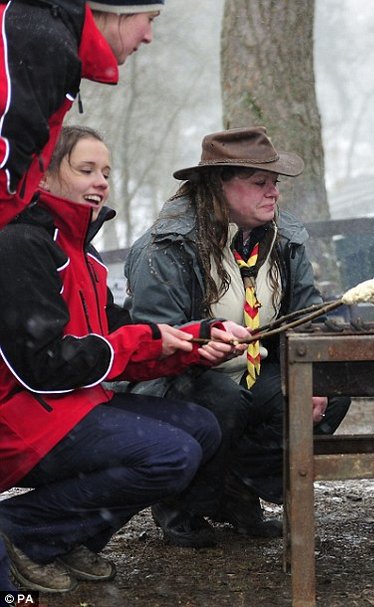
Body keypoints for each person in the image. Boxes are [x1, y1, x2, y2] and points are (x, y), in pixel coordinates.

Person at [0, 126, 241, 593]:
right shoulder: (20, 245)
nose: (101, 182)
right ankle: (20, 529)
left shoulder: (82, 254)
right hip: (21, 420)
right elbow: (42, 364)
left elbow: (114, 334)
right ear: (44, 179)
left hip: (69, 406)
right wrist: (141, 342)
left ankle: (66, 539)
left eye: (106, 172)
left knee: (201, 425)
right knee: (171, 454)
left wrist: (193, 341)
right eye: (86, 170)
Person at [124, 126, 351, 548]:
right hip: (180, 377)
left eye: (275, 183)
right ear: (218, 186)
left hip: (255, 367)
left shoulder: (286, 238)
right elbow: (156, 341)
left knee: (329, 392)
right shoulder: (166, 246)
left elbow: (305, 315)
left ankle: (235, 484)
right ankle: (181, 502)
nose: (274, 194)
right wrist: (201, 345)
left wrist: (314, 377)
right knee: (221, 402)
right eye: (260, 183)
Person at [0, 0, 163, 228]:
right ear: (121, 9)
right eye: (150, 19)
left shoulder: (44, 34)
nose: (148, 36)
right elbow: (7, 146)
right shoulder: (41, 40)